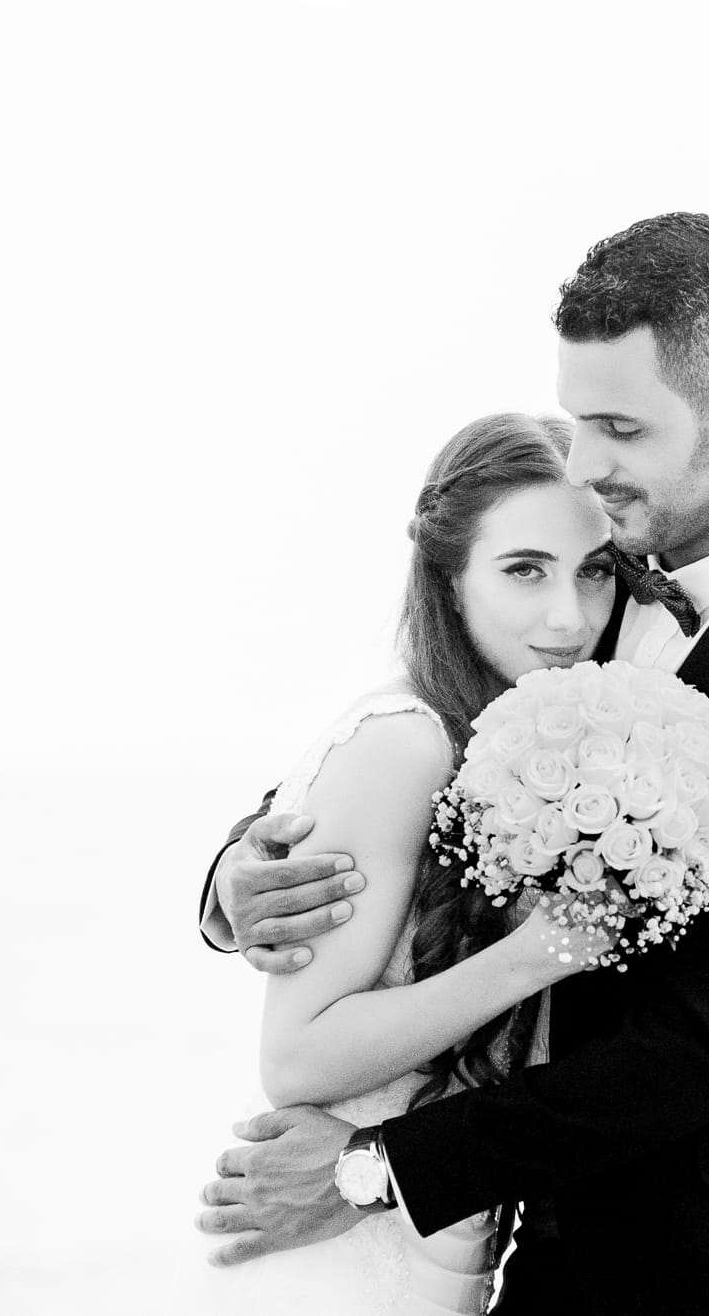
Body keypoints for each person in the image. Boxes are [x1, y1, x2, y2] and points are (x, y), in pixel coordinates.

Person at [197, 213, 709, 1315]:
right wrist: (236, 880)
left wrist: (371, 1172)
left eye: (617, 428)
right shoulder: (598, 575)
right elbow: (427, 725)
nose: (584, 464)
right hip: (533, 1254)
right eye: (578, 422)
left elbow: (699, 1047)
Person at [195, 412, 618, 1314]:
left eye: (595, 571)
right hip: (335, 1253)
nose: (568, 616)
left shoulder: (521, 735)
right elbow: (298, 1058)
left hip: (440, 1245)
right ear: (449, 576)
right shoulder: (406, 745)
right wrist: (536, 954)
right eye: (524, 570)